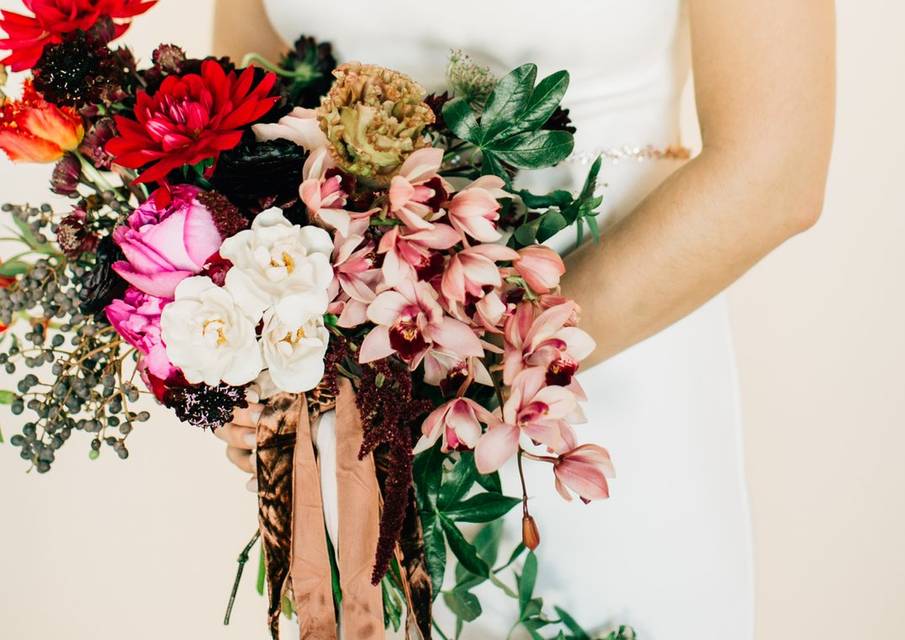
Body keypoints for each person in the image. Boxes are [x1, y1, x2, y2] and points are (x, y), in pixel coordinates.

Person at [213, 0, 835, 637]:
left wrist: (471, 371)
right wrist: (254, 352)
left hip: (592, 381)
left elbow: (775, 169)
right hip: (359, 393)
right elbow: (243, 101)